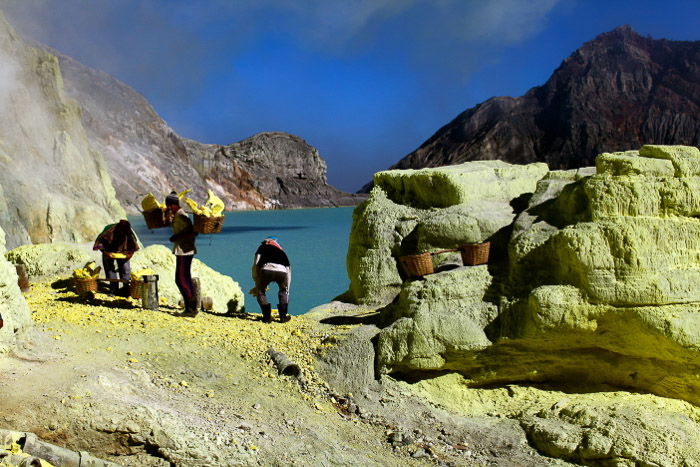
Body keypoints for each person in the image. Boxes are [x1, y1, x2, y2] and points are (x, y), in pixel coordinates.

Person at [166, 191, 199, 317]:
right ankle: (191, 307)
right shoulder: (178, 215)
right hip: (184, 250)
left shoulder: (181, 216)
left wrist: (176, 237)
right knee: (184, 278)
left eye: (168, 205)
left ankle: (190, 308)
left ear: (172, 205)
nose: (168, 208)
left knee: (180, 279)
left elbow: (192, 232)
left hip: (184, 251)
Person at [93, 219, 139, 296]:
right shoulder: (109, 231)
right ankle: (114, 290)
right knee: (110, 269)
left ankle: (126, 288)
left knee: (125, 269)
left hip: (123, 250)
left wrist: (128, 255)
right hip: (108, 249)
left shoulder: (129, 233)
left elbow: (133, 247)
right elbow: (99, 243)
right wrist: (107, 253)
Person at [252, 236, 291, 323]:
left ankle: (266, 317)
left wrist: (256, 280)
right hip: (282, 271)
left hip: (266, 270)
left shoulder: (262, 247)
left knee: (260, 291)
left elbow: (256, 263)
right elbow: (288, 270)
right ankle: (283, 317)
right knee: (283, 291)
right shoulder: (282, 252)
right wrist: (287, 288)